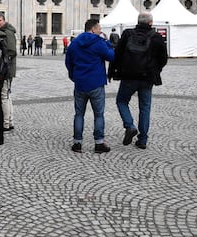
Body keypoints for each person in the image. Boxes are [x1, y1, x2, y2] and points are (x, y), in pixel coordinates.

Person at [109, 12, 168, 150]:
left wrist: (113, 71)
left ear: (138, 21)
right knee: (145, 107)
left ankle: (129, 126)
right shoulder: (156, 37)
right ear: (150, 23)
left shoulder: (128, 34)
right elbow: (163, 58)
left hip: (129, 76)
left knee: (121, 101)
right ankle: (142, 140)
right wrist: (156, 70)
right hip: (147, 77)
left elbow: (117, 54)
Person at [65, 19, 115, 153]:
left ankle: (77, 143)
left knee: (79, 114)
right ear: (93, 29)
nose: (100, 30)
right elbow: (111, 57)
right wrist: (108, 42)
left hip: (80, 83)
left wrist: (73, 75)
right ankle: (99, 143)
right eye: (99, 28)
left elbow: (68, 62)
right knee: (98, 114)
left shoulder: (74, 43)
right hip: (96, 83)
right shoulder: (99, 43)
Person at [0, 13, 18, 132]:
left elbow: (12, 51)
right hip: (6, 69)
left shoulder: (7, 33)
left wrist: (1, 61)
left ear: (4, 20)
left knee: (4, 96)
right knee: (7, 96)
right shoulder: (2, 32)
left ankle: (5, 123)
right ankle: (10, 121)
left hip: (6, 70)